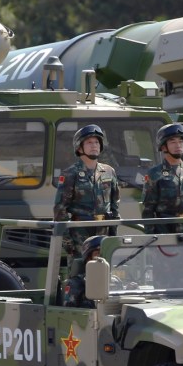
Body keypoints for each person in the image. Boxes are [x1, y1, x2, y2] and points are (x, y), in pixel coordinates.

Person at [54, 124, 120, 257]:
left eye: (97, 142)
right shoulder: (70, 174)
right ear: (79, 147)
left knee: (104, 271)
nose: (94, 145)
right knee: (79, 274)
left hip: (103, 232)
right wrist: (68, 242)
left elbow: (115, 205)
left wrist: (113, 232)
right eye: (89, 142)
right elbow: (60, 210)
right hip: (80, 234)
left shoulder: (109, 171)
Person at [142, 123, 183, 233]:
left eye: (180, 141)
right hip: (165, 233)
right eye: (173, 142)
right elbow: (148, 210)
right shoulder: (154, 174)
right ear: (164, 146)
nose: (178, 145)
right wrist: (151, 238)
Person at [62, 235, 103, 307]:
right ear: (88, 259)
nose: (102, 260)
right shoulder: (77, 284)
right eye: (97, 254)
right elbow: (69, 313)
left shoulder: (116, 281)